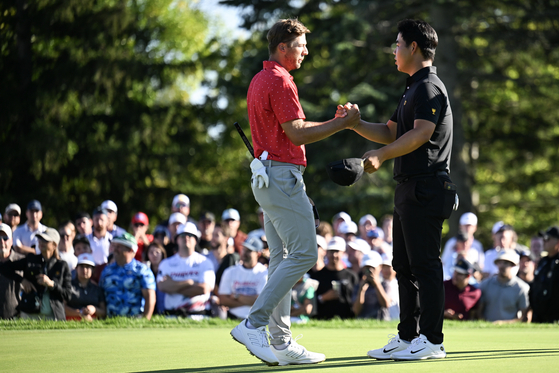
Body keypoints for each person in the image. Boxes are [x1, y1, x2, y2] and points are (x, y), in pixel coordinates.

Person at [229, 18, 360, 367]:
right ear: (283, 48)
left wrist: (332, 122)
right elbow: (298, 134)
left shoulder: (260, 79)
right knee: (304, 255)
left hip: (267, 179)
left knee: (281, 257)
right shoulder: (280, 80)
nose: (305, 52)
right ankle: (253, 324)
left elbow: (290, 130)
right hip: (282, 177)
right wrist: (341, 124)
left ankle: (282, 343)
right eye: (300, 46)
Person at [344, 19, 454, 360]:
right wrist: (356, 124)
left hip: (427, 186)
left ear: (414, 48)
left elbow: (421, 133)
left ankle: (432, 341)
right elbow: (393, 132)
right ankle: (408, 336)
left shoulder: (429, 88)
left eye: (397, 44)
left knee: (425, 265)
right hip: (409, 188)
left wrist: (380, 155)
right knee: (403, 267)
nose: (394, 50)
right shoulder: (411, 89)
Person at [0, 227, 73, 320]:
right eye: (40, 239)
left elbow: (68, 295)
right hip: (29, 313)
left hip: (54, 315)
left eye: (45, 240)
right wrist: (22, 280)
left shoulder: (62, 265)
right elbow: (3, 267)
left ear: (54, 245)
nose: (41, 242)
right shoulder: (31, 259)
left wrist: (51, 284)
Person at [157, 222, 215, 316]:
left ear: (196, 240)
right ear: (177, 239)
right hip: (171, 317)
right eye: (182, 235)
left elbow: (204, 289)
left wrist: (173, 287)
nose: (186, 238)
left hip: (199, 316)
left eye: (190, 235)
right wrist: (189, 282)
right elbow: (162, 286)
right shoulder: (166, 263)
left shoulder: (205, 262)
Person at [100, 232, 156, 319]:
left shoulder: (142, 270)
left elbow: (150, 296)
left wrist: (145, 320)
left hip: (135, 323)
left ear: (130, 250)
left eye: (119, 247)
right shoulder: (107, 270)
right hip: (110, 322)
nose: (114, 249)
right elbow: (101, 296)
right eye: (114, 246)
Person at [218, 236, 268, 320]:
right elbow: (223, 299)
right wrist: (250, 301)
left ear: (258, 254)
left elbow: (262, 301)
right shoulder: (230, 272)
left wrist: (237, 296)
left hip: (256, 319)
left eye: (249, 251)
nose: (244, 253)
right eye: (244, 249)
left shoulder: (264, 273)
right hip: (232, 318)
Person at [312, 237, 359, 320]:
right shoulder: (317, 276)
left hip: (347, 320)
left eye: (337, 251)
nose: (333, 255)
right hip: (322, 320)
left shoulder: (351, 276)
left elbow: (356, 300)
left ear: (343, 253)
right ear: (326, 253)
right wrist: (323, 298)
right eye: (331, 251)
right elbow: (309, 301)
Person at [478, 249, 529, 323]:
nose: (502, 266)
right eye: (500, 263)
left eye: (506, 263)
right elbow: (479, 311)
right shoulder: (485, 285)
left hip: (510, 331)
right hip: (487, 328)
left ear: (512, 265)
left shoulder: (521, 288)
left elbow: (524, 316)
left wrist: (503, 323)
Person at [529, 226, 559, 323]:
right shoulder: (543, 262)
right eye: (543, 239)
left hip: (555, 317)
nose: (544, 241)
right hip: (539, 316)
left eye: (547, 239)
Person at [65, 253, 106, 321]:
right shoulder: (68, 286)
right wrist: (81, 313)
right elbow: (62, 307)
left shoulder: (97, 289)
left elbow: (103, 312)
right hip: (71, 322)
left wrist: (94, 309)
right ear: (76, 268)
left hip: (93, 323)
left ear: (93, 270)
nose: (84, 270)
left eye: (87, 267)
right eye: (81, 266)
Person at [352, 250, 391, 320]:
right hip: (362, 323)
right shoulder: (358, 286)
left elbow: (386, 304)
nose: (369, 270)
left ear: (380, 267)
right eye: (366, 268)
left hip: (381, 323)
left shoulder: (385, 284)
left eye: (372, 267)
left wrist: (377, 284)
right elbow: (356, 311)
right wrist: (361, 290)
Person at [0, 223, 24, 319]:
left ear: (11, 241)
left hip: (16, 317)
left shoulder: (21, 261)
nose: (2, 242)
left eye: (5, 238)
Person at [143, 242, 167, 314]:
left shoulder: (168, 270)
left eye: (157, 252)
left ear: (162, 253)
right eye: (151, 252)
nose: (154, 255)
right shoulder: (144, 271)